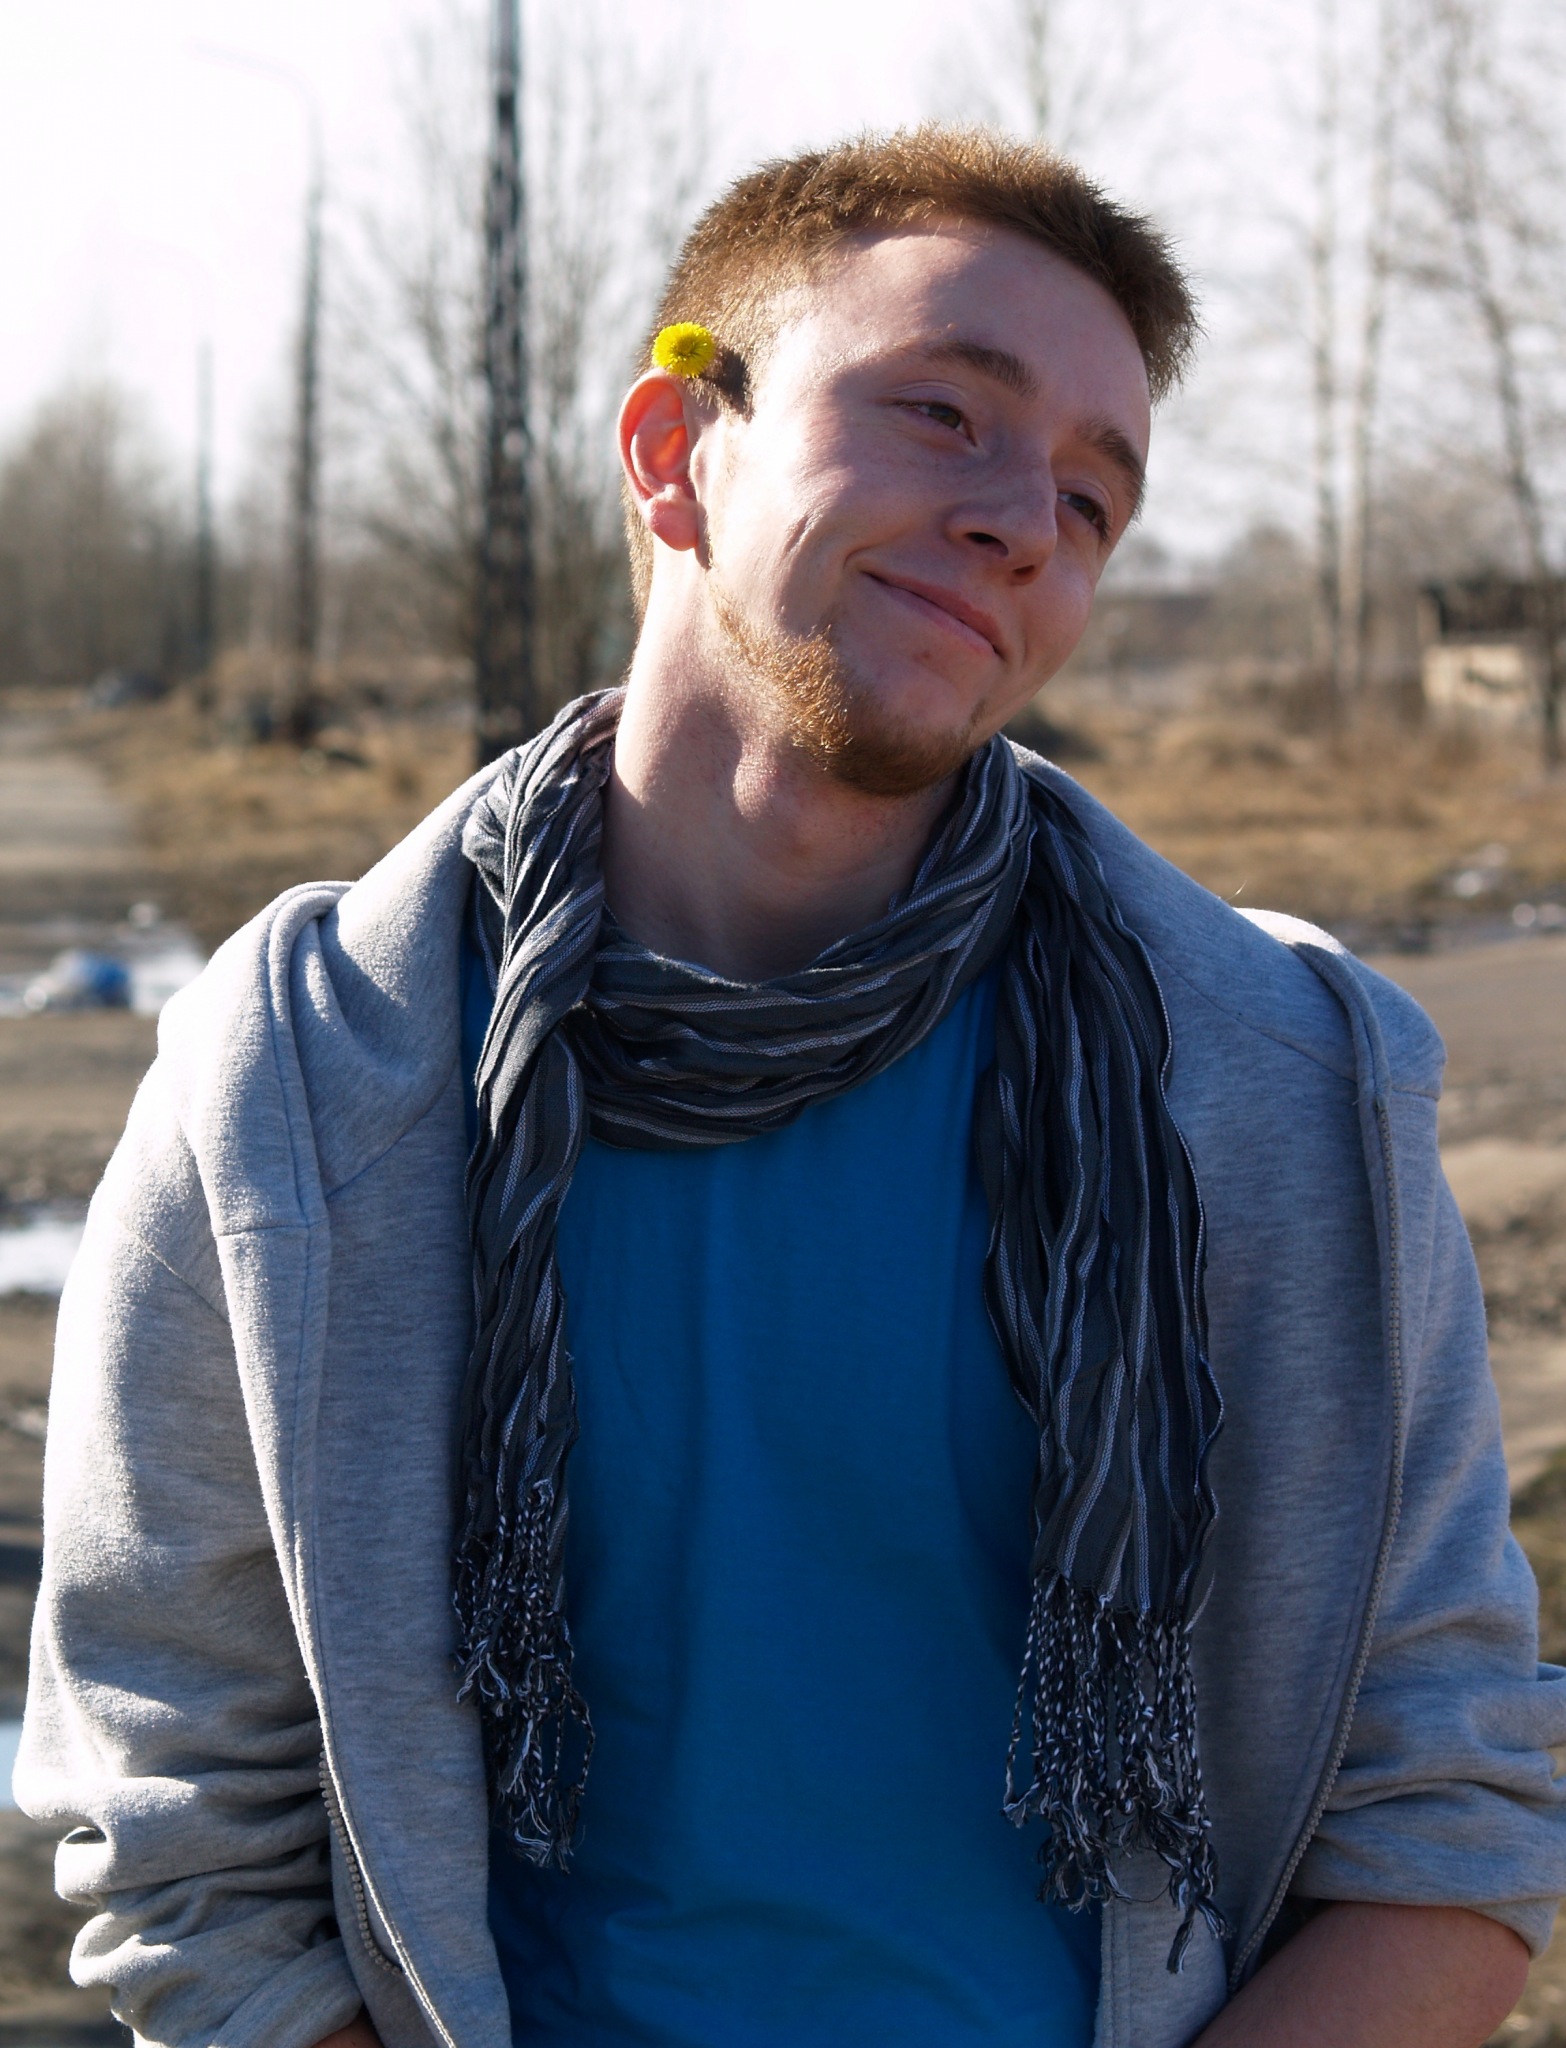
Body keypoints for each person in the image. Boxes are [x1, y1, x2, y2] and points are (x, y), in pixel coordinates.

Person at [17, 126, 1566, 2048]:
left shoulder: (1286, 1095)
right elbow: (179, 1825)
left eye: (1094, 498)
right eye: (944, 412)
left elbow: (1448, 1825)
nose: (1026, 521)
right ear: (675, 449)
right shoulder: (300, 1086)